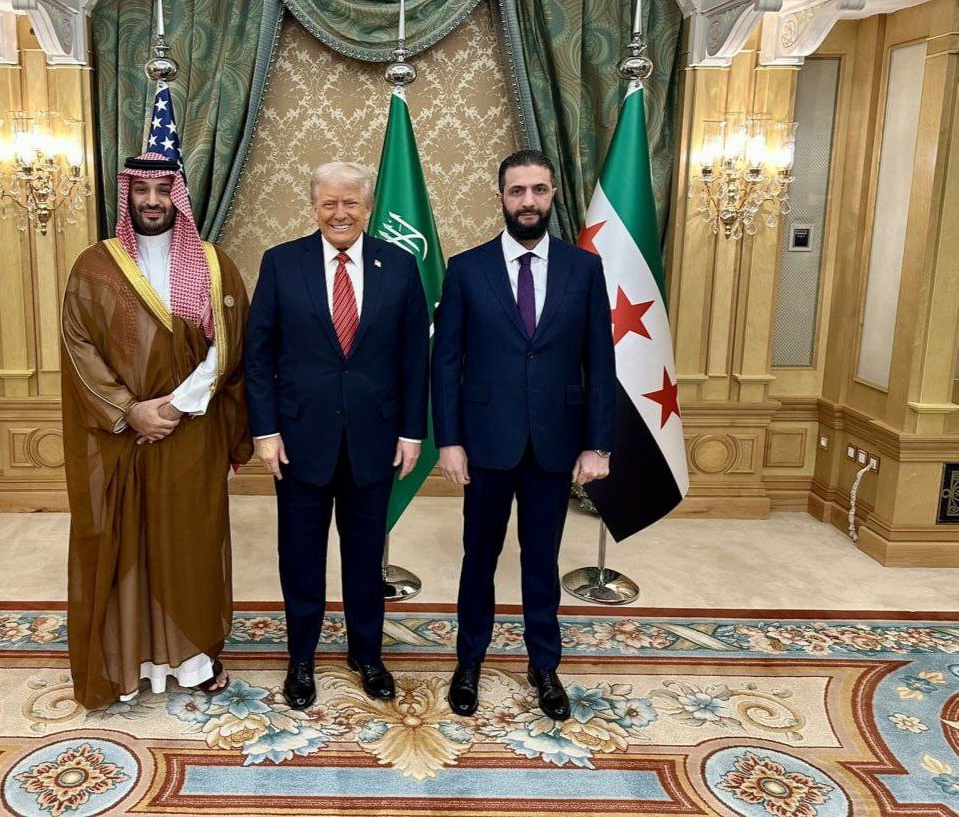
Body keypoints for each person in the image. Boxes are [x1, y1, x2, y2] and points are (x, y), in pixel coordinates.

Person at [60, 145, 252, 710]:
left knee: (189, 543)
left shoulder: (215, 265)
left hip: (191, 434)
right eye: (141, 190)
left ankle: (192, 661)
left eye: (162, 190)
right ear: (127, 195)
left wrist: (173, 408)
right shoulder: (94, 266)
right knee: (124, 544)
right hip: (118, 436)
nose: (151, 200)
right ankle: (128, 663)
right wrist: (129, 410)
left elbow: (231, 347)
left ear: (178, 197)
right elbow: (78, 346)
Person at [432, 149, 616, 721]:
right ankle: (469, 662)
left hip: (554, 443)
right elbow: (446, 362)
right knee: (478, 558)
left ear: (553, 193)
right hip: (485, 442)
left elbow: (600, 361)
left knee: (542, 560)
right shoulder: (467, 268)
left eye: (538, 189)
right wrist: (449, 440)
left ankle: (544, 666)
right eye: (517, 191)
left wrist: (598, 443)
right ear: (502, 197)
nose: (528, 201)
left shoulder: (583, 269)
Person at [244, 161, 429, 709]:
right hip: (299, 441)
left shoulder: (400, 265)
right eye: (329, 203)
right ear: (314, 207)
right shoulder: (281, 263)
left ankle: (366, 655)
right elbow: (259, 356)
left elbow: (414, 357)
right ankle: (301, 658)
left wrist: (412, 431)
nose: (340, 213)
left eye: (350, 203)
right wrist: (265, 431)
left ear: (368, 208)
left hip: (375, 440)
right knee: (300, 556)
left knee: (366, 557)